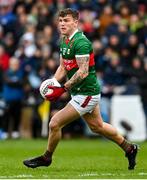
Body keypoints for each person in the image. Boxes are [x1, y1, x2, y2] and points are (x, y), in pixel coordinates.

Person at [23, 8, 138, 170]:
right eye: (60, 21)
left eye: (67, 20)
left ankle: (46, 157)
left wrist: (62, 88)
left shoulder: (81, 42)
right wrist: (53, 83)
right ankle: (129, 148)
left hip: (87, 93)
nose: (62, 24)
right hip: (80, 92)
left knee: (54, 123)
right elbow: (63, 66)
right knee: (97, 126)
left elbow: (83, 72)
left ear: (75, 22)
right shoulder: (64, 39)